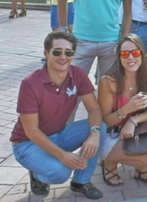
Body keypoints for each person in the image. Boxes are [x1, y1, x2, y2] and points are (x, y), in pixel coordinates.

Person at [10, 31, 104, 200]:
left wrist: (95, 133)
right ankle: (37, 175)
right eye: (57, 51)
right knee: (61, 172)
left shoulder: (77, 74)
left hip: (58, 135)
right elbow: (31, 130)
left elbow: (94, 109)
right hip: (27, 144)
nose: (63, 57)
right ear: (46, 53)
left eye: (68, 52)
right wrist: (62, 155)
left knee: (101, 127)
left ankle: (80, 182)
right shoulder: (30, 84)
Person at [98, 34, 147, 189]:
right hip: (111, 134)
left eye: (135, 53)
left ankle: (141, 170)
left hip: (134, 130)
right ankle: (109, 162)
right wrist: (126, 110)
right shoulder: (108, 81)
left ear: (142, 54)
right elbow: (104, 121)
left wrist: (133, 120)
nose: (130, 57)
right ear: (118, 56)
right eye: (124, 53)